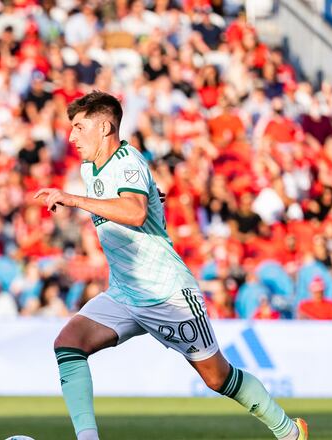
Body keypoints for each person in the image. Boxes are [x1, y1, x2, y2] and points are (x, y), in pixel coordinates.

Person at [34, 91, 308, 440]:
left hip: (166, 294)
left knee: (217, 377)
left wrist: (73, 199)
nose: (72, 136)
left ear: (104, 127)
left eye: (78, 127)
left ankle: (289, 432)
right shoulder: (92, 168)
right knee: (68, 343)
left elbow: (133, 212)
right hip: (124, 292)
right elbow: (134, 200)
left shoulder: (127, 161)